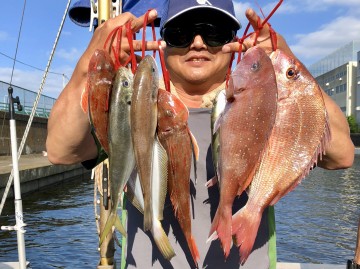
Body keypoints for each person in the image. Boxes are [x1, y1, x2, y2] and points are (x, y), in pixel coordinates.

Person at [46, 0, 355, 268]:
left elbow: (342, 154)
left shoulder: (270, 107)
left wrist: (289, 66)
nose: (197, 43)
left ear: (235, 41)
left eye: (214, 32)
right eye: (180, 33)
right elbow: (61, 149)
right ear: (162, 41)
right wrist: (91, 62)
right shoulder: (133, 104)